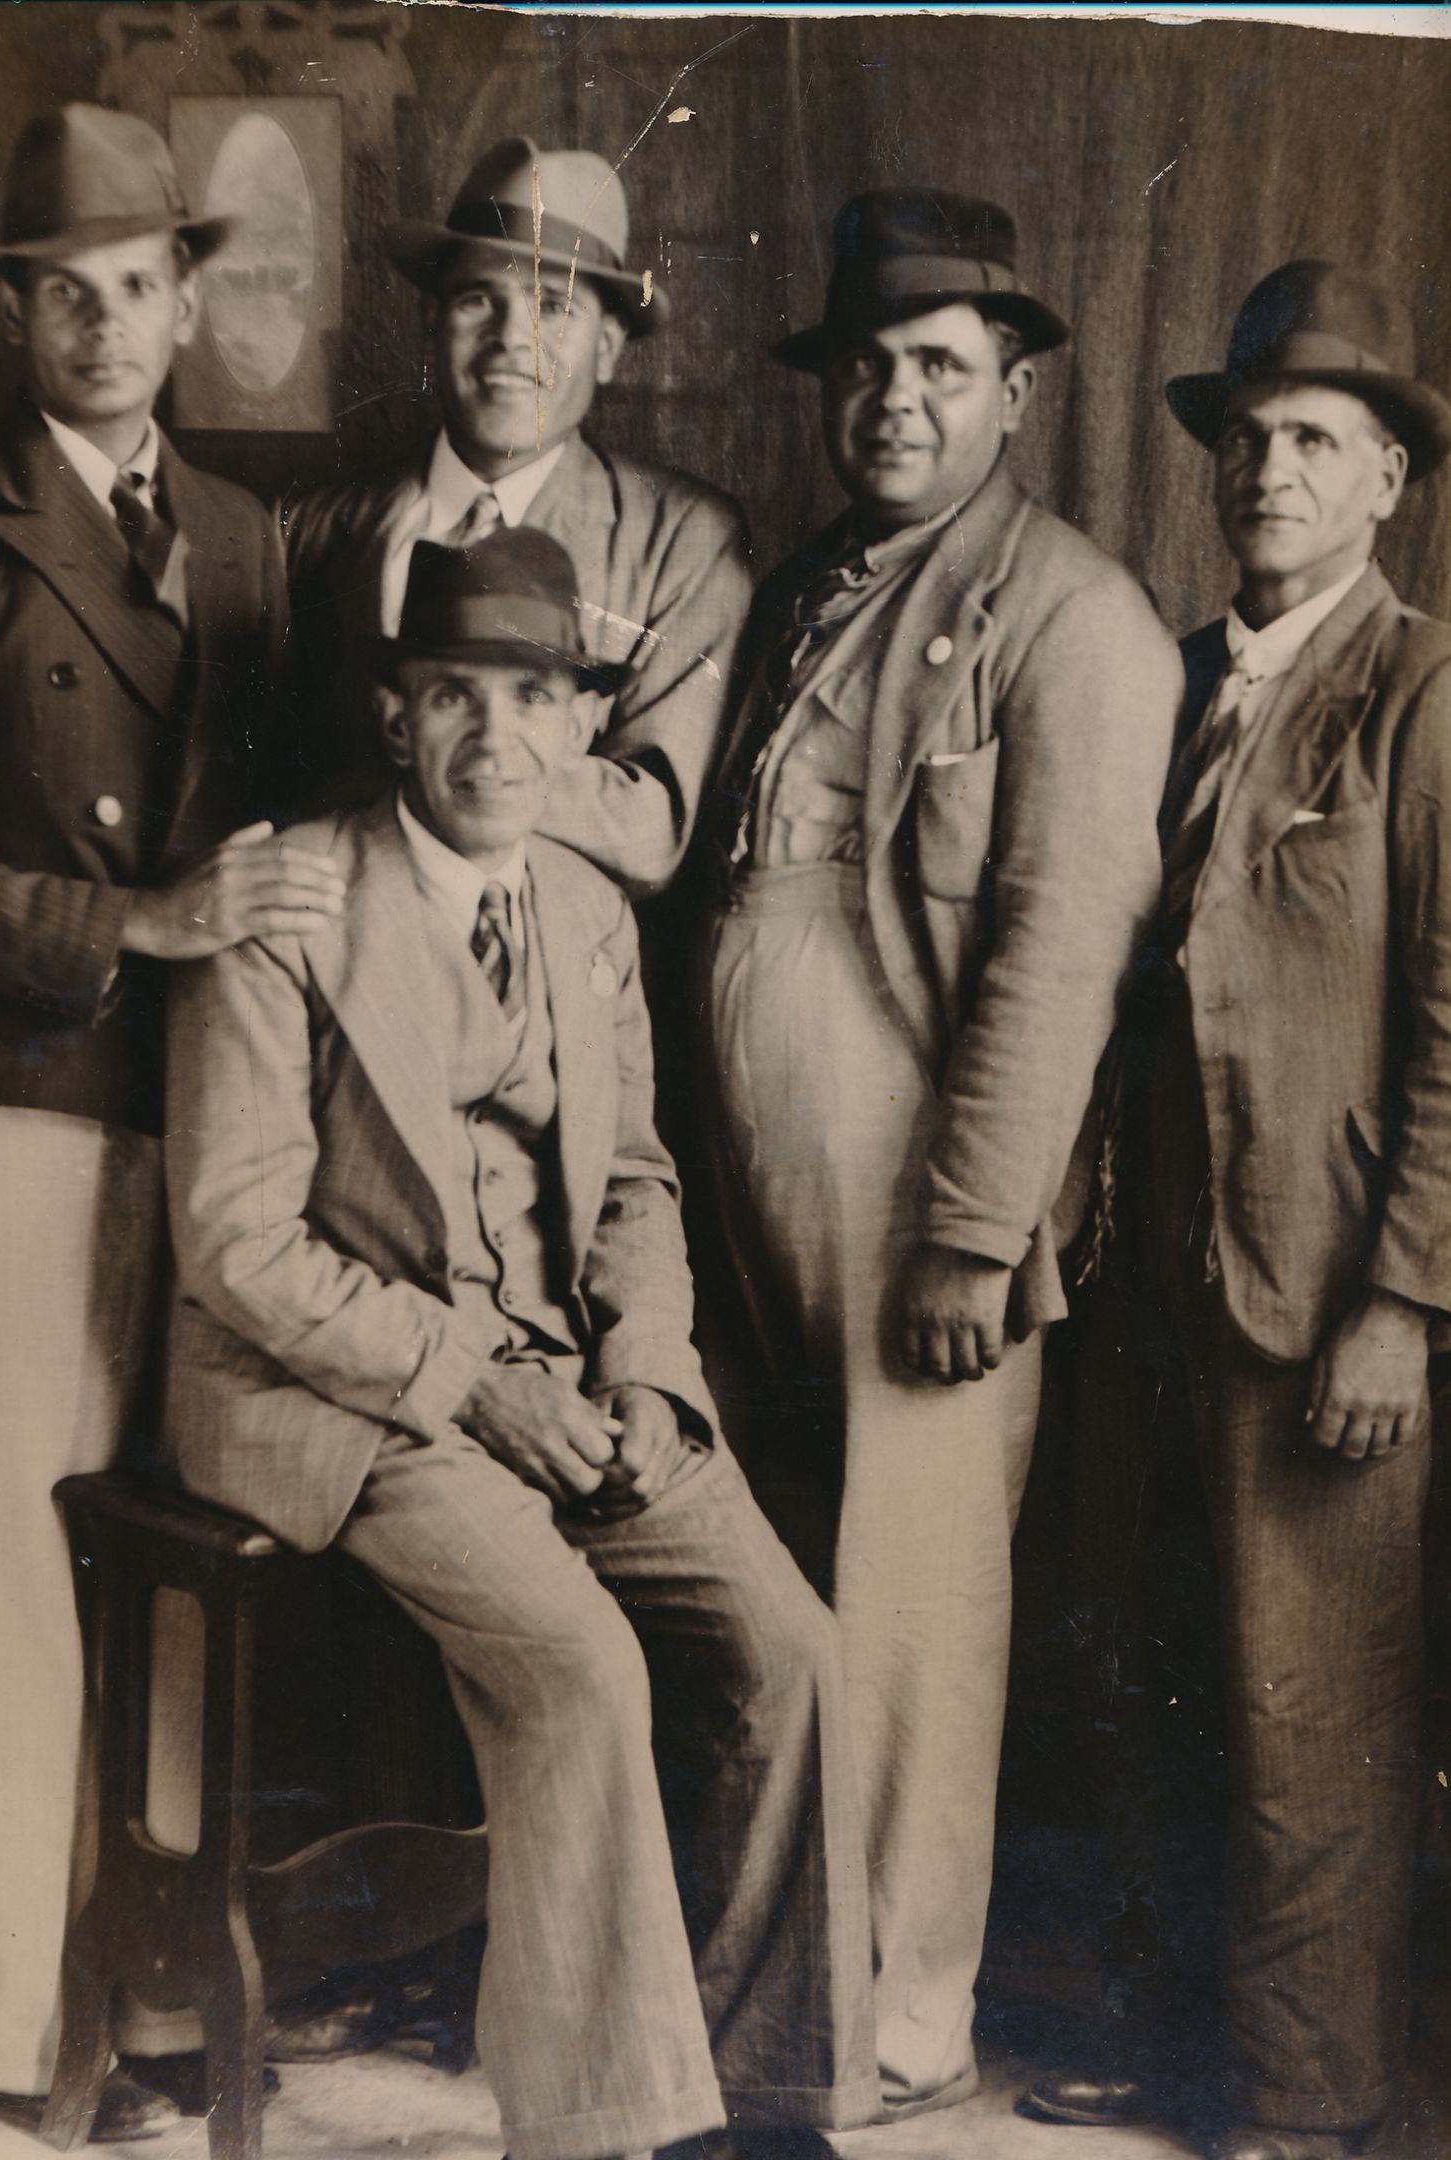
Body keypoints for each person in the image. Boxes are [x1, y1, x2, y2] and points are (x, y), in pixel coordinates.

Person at [160, 526, 880, 2160]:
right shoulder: (288, 899)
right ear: (394, 714)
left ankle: (757, 2101)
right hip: (350, 1391)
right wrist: (477, 1380)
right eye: (455, 697)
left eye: (533, 699)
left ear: (575, 727)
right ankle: (600, 2130)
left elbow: (631, 1173)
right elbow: (238, 1245)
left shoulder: (583, 908)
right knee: (579, 1671)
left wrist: (636, 1370)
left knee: (794, 1652)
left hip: (571, 1380)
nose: (496, 736)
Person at [0, 105, 345, 2138]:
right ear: (18, 313)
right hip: (16, 1110)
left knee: (176, 1570)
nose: (99, 324)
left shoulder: (244, 539)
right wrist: (132, 920)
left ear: (183, 300)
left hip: (207, 1129)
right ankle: (0, 2022)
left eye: (135, 286)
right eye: (60, 291)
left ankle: (155, 2010)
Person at [701, 186, 1182, 2118]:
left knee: (910, 1608)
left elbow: (1061, 948)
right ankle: (782, 1988)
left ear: (1014, 389)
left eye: (935, 368)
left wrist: (973, 1236)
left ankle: (902, 2016)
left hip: (918, 1191)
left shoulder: (1074, 613)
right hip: (753, 1186)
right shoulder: (812, 577)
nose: (891, 401)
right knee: (782, 1592)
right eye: (866, 368)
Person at [1023, 261, 1451, 2160]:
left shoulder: (1422, 689)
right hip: (1143, 1275)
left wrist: (1407, 1299)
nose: (1269, 466)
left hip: (1321, 1284)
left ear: (1386, 482)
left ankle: (1296, 2099)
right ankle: (1170, 2032)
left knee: (1312, 1720)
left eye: (1314, 441)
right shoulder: (1178, 678)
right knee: (1145, 1676)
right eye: (1248, 436)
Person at [278, 135, 751, 900]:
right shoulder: (312, 529)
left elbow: (648, 824)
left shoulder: (679, 541)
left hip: (565, 985)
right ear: (431, 329)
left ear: (606, 349)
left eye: (553, 304)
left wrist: (421, 760)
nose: (510, 336)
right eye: (477, 299)